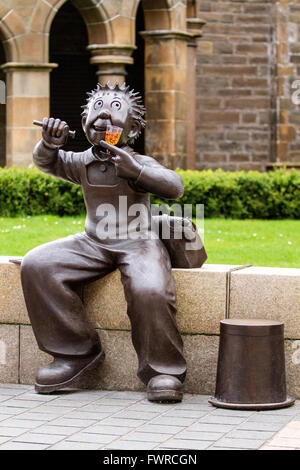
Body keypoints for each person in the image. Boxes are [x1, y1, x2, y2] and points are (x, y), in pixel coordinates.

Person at [20, 82, 187, 402]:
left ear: (133, 127)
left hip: (138, 241)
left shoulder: (138, 162)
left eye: (115, 109)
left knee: (150, 288)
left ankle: (163, 369)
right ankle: (76, 353)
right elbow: (47, 163)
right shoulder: (81, 162)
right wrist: (48, 144)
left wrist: (135, 169)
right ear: (83, 121)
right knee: (38, 264)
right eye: (97, 108)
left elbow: (174, 187)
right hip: (93, 241)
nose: (104, 115)